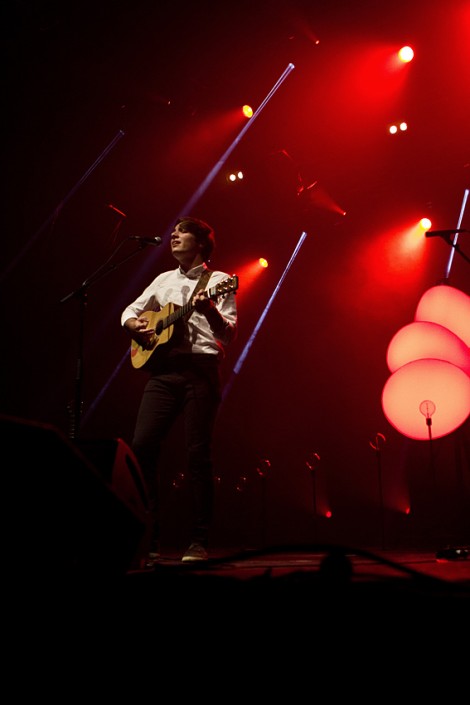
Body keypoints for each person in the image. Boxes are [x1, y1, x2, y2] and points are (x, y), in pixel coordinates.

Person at [121, 216, 238, 564]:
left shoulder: (219, 281)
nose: (173, 237)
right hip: (162, 372)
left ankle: (198, 541)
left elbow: (228, 334)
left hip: (199, 371)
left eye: (181, 233)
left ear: (201, 242)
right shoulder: (162, 280)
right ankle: (149, 537)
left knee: (197, 456)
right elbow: (131, 309)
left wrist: (210, 309)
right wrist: (133, 325)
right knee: (141, 447)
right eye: (172, 232)